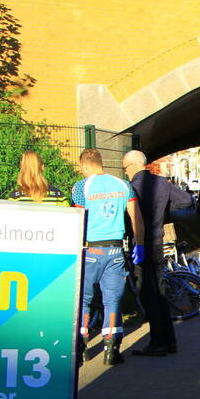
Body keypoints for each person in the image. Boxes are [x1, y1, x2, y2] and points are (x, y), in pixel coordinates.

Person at [72, 148, 145, 365]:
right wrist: (139, 245)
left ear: (84, 165)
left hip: (90, 250)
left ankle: (81, 347)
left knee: (83, 300)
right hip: (116, 251)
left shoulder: (81, 187)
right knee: (112, 300)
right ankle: (112, 350)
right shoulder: (123, 185)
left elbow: (78, 220)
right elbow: (136, 217)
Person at [123, 149, 194, 357]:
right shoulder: (163, 183)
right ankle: (169, 341)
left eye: (125, 168)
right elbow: (187, 201)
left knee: (148, 294)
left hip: (141, 245)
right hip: (158, 242)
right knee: (160, 291)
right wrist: (166, 207)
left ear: (133, 166)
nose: (125, 172)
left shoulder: (131, 188)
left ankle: (157, 342)